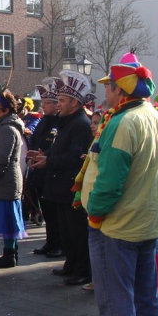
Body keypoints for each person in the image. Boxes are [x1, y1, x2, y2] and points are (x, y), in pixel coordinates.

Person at [80, 51, 158, 316]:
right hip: (149, 221)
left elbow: (109, 181)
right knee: (147, 296)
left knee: (116, 296)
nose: (105, 91)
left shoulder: (123, 123)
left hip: (119, 225)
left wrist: (95, 215)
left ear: (120, 90)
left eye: (109, 86)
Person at [35, 71, 94, 285]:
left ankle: (83, 270)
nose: (58, 104)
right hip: (59, 185)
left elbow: (73, 156)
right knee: (66, 231)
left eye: (61, 100)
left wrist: (49, 161)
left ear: (74, 102)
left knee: (77, 231)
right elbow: (59, 148)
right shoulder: (67, 122)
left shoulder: (80, 124)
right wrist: (44, 155)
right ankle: (71, 264)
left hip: (70, 186)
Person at [0, 90, 28, 269]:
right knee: (7, 220)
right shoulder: (3, 127)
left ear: (6, 111)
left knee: (8, 221)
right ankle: (10, 253)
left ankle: (10, 255)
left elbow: (3, 158)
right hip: (4, 180)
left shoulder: (7, 129)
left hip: (5, 181)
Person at [29, 80, 62, 257]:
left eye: (47, 103)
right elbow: (35, 140)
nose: (43, 106)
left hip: (51, 170)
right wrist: (31, 155)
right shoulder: (43, 121)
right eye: (43, 102)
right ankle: (50, 241)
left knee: (55, 212)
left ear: (57, 105)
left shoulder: (59, 122)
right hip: (40, 170)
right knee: (47, 210)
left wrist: (44, 155)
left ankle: (58, 244)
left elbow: (56, 145)